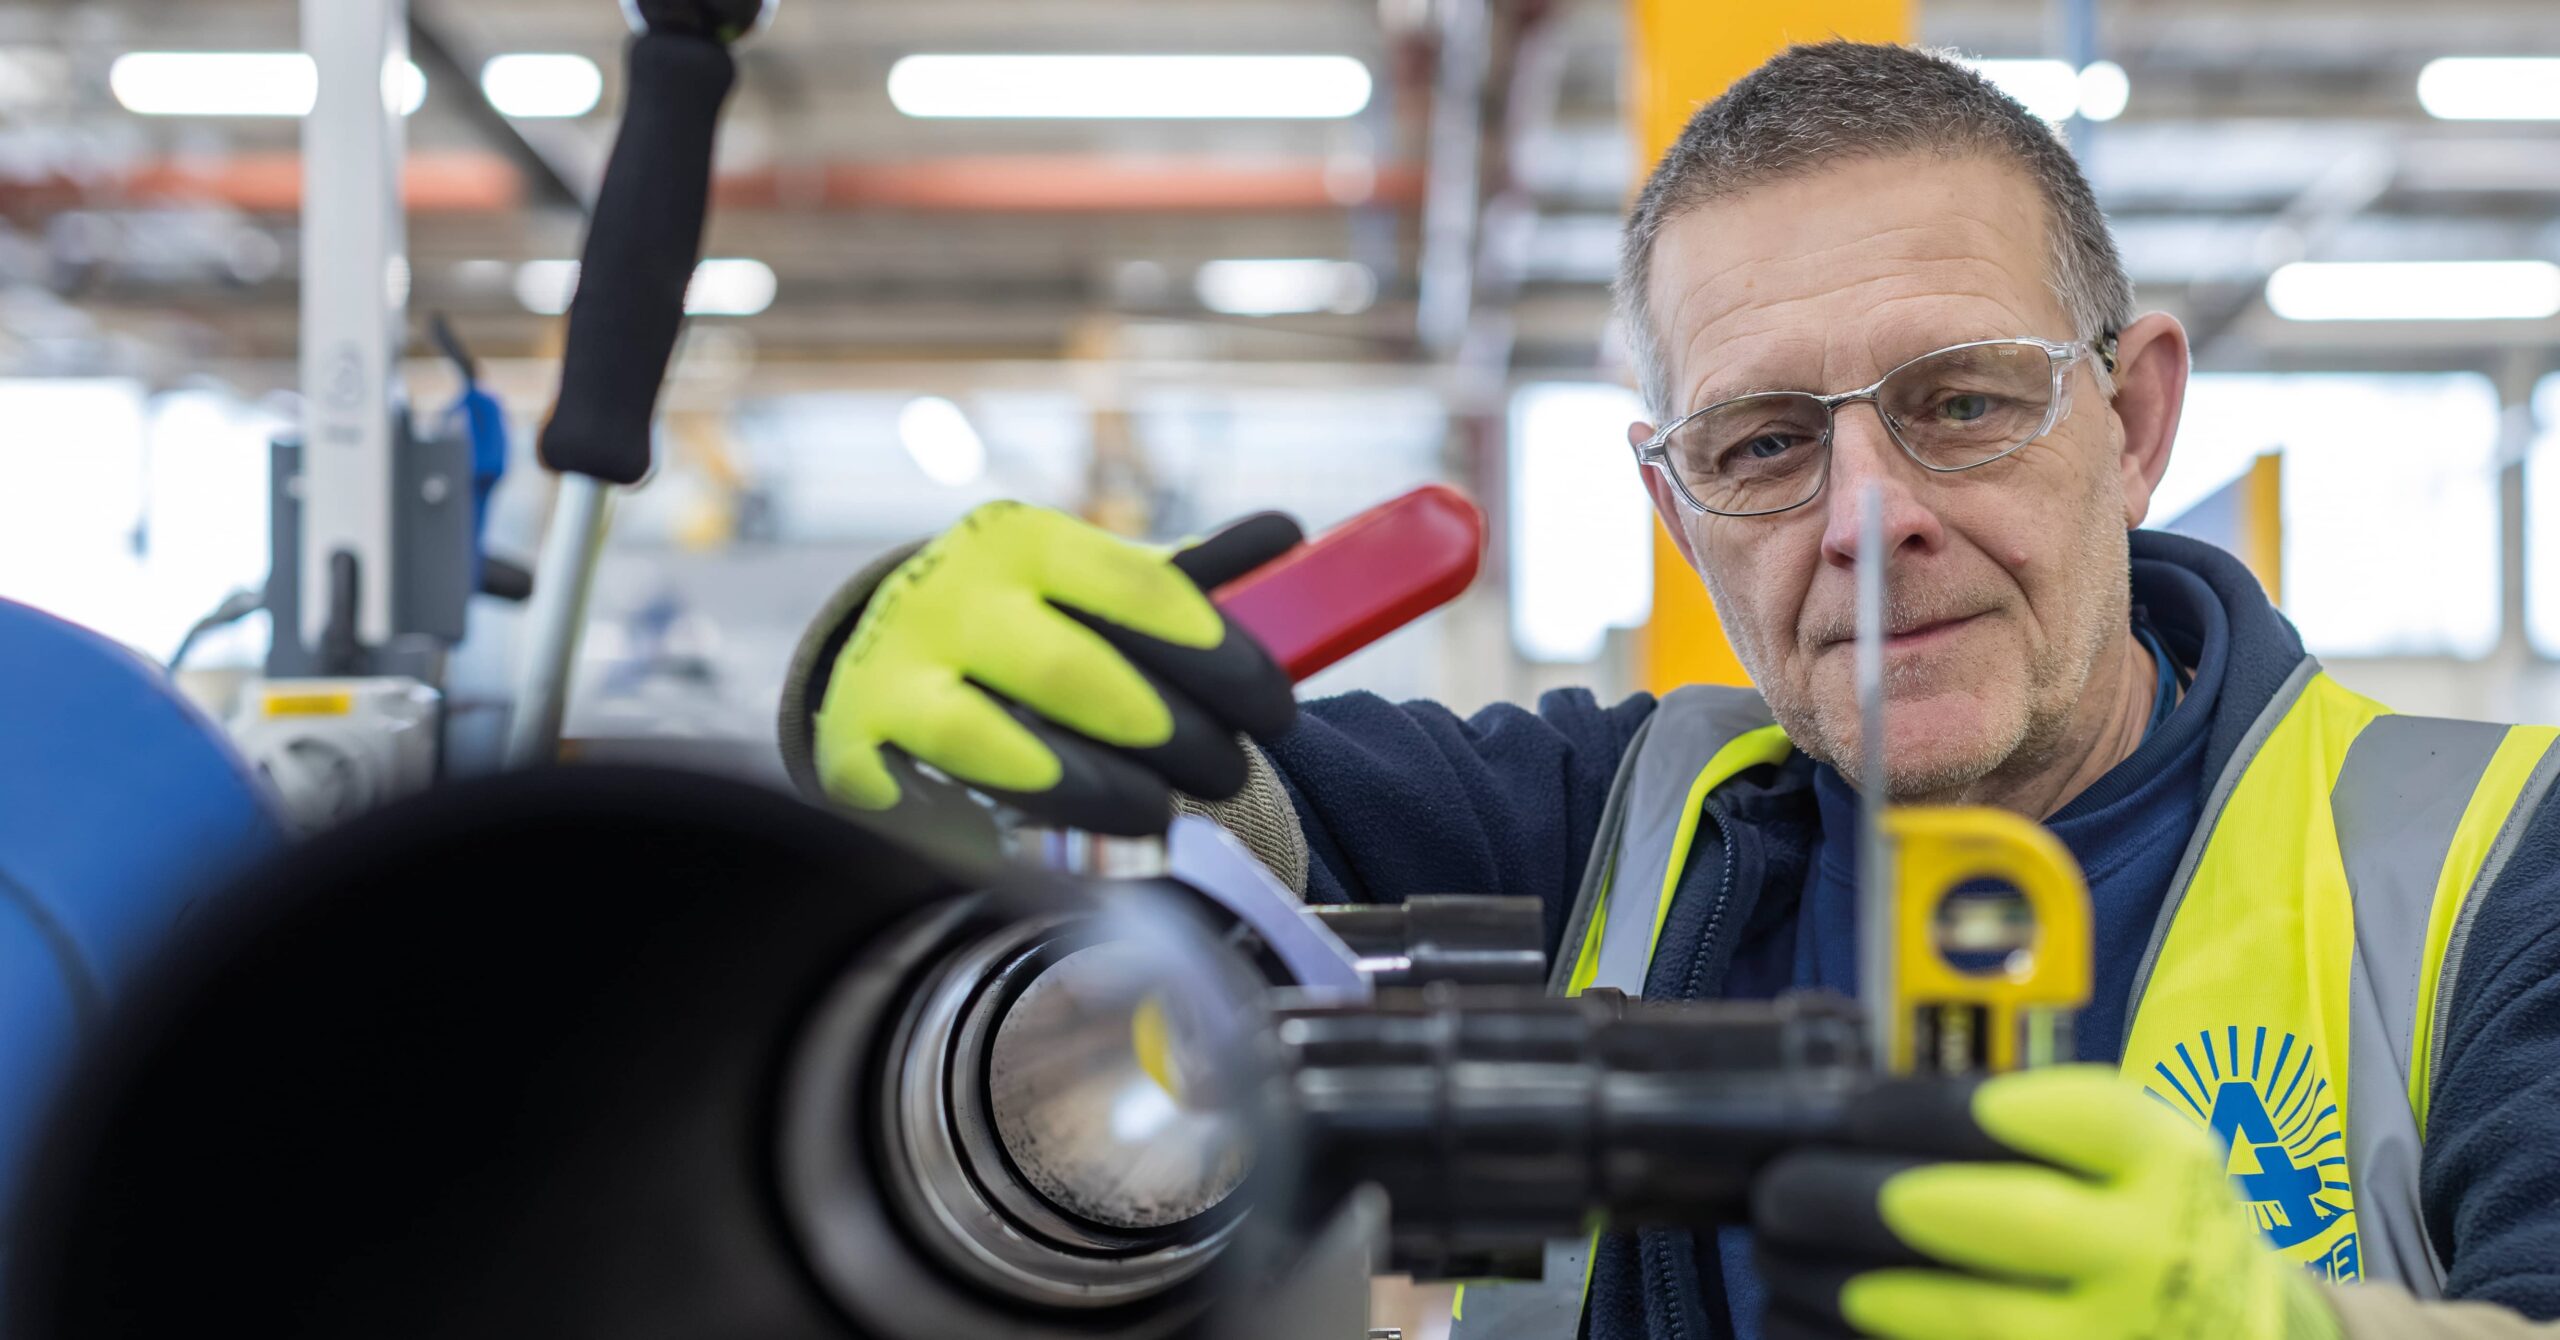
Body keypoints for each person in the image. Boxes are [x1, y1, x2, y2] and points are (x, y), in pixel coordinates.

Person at [778, 41, 2560, 1340]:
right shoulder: (1601, 829)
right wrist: (928, 695)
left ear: (2137, 418)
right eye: (1765, 444)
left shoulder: (2493, 867)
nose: (1868, 521)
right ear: (1675, 509)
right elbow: (1194, 824)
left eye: (1961, 402)